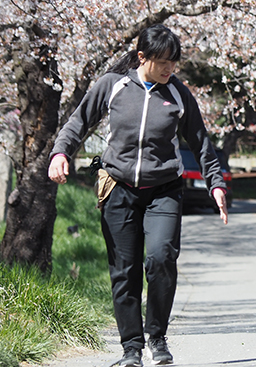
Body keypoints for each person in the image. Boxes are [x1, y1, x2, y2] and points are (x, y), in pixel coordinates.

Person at [48, 24, 228, 367]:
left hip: (164, 191)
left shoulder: (178, 94)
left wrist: (216, 183)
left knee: (161, 258)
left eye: (173, 63)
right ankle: (131, 348)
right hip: (118, 187)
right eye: (162, 62)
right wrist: (60, 152)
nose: (169, 69)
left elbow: (202, 143)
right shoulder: (111, 86)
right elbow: (78, 122)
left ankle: (157, 337)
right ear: (142, 57)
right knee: (124, 270)